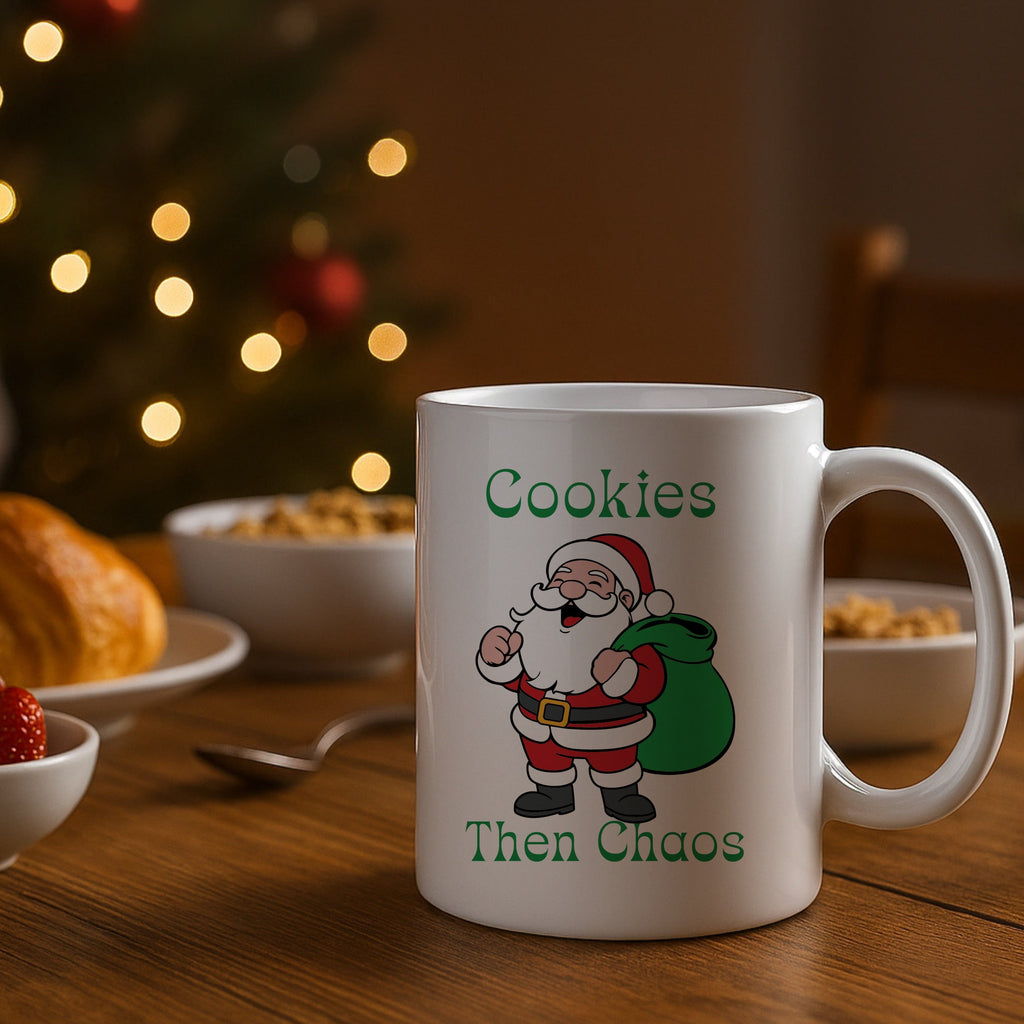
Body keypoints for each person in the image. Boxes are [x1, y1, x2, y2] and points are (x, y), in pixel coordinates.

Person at [476, 533, 674, 823]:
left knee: (614, 761)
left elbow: (650, 685)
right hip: (539, 727)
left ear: (624, 599)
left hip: (607, 728)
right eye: (560, 579)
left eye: (595, 583)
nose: (571, 589)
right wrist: (499, 658)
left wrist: (623, 674)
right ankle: (553, 793)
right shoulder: (533, 631)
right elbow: (517, 678)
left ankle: (620, 794)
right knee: (546, 760)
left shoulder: (630, 642)